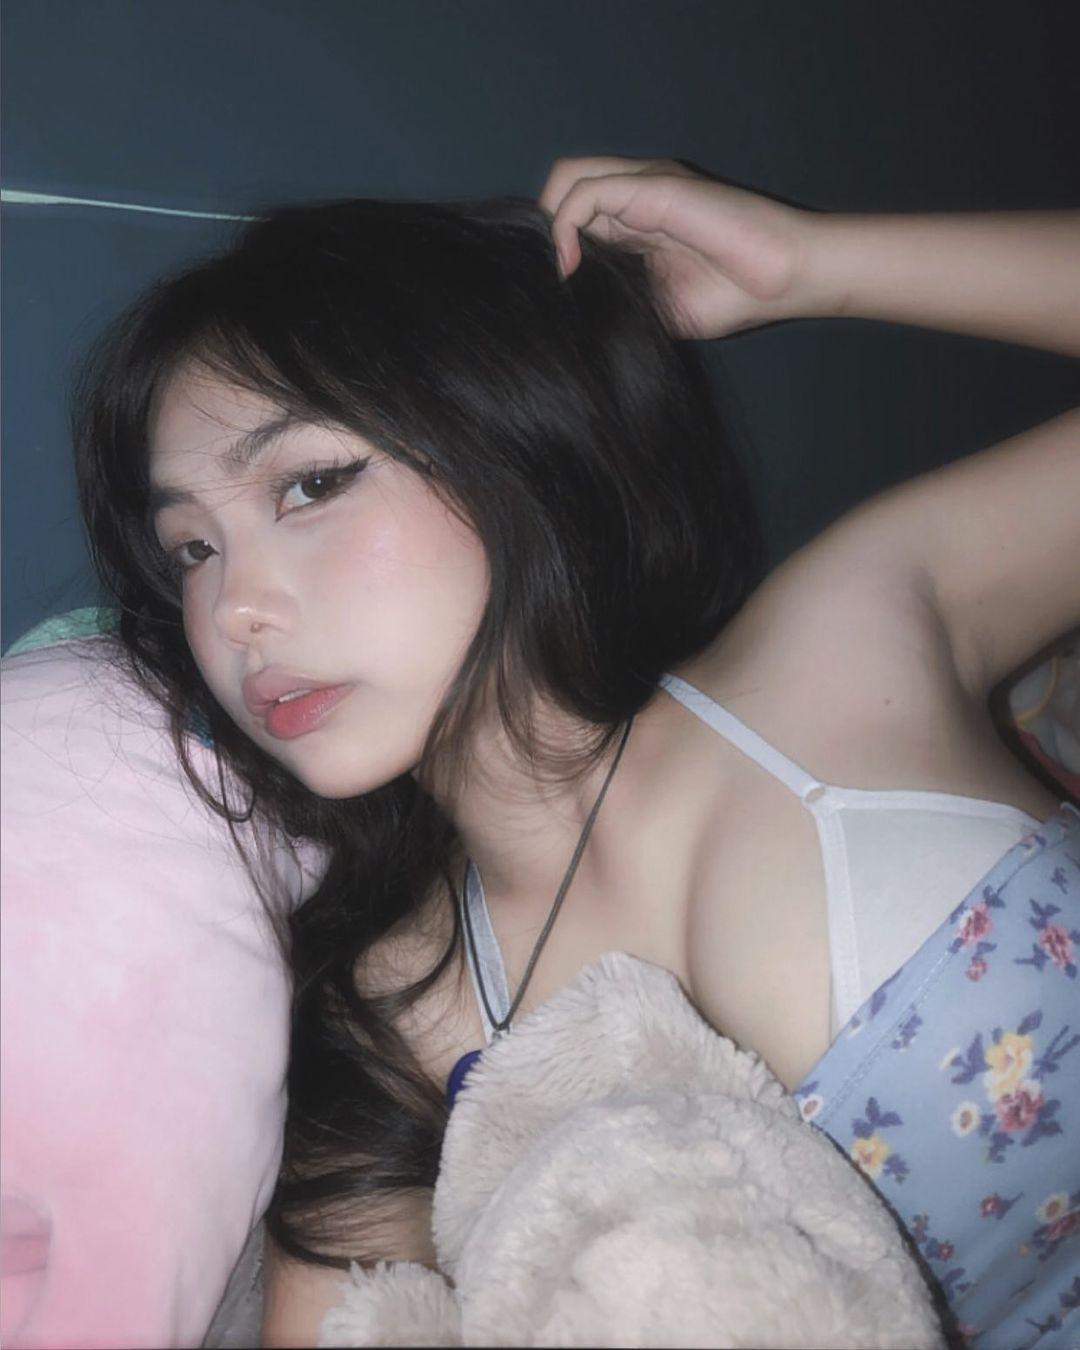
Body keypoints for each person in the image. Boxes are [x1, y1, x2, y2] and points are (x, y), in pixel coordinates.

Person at [71, 155, 1079, 1347]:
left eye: (309, 484)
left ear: (501, 432)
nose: (233, 609)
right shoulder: (393, 1017)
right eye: (190, 550)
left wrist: (814, 265)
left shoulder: (847, 640)